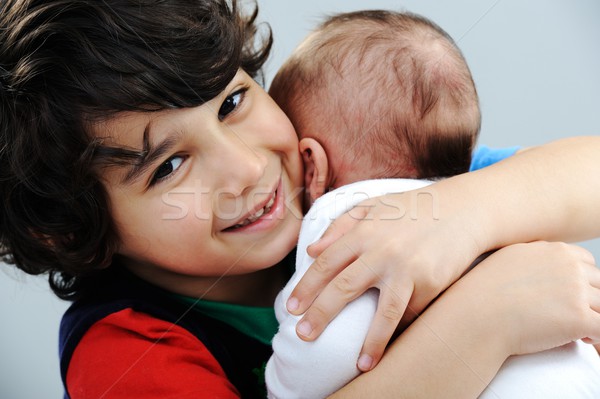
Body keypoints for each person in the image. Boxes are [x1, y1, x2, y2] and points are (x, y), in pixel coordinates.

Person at [1, 1, 600, 398]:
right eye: (170, 165)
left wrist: (465, 214)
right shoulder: (122, 352)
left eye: (232, 104)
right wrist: (487, 323)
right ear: (73, 230)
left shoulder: (345, 177)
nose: (248, 168)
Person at [265, 10, 600, 399]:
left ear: (312, 165)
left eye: (232, 104)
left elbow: (326, 351)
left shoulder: (339, 215)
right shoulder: (473, 182)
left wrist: (281, 384)